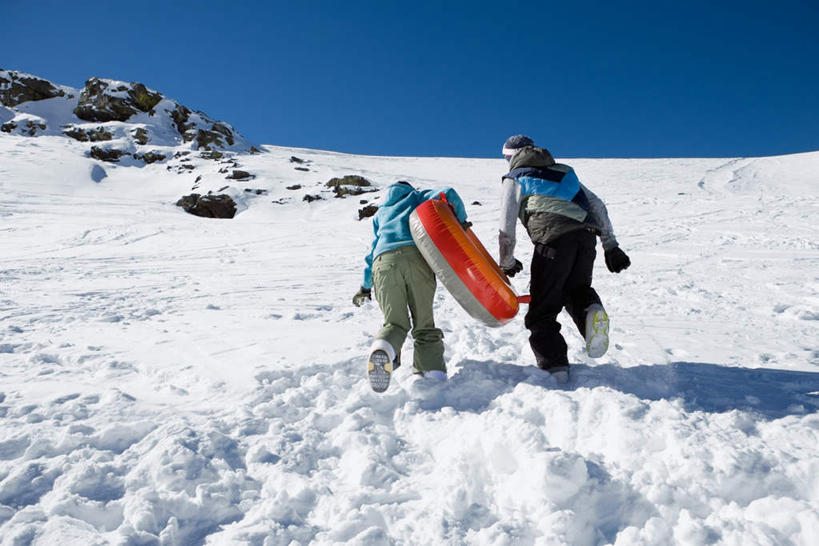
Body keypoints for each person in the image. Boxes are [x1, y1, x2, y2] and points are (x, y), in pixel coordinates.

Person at [498, 135, 631, 384]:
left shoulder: (515, 178)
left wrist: (507, 262)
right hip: (585, 237)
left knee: (542, 309)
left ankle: (555, 368)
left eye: (506, 157)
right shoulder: (564, 172)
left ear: (512, 155)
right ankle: (591, 310)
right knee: (577, 290)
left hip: (552, 241)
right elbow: (597, 205)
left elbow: (506, 225)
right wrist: (611, 246)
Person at [352, 181, 469, 392]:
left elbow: (371, 254)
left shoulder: (381, 213)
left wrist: (365, 286)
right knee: (423, 323)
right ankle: (433, 376)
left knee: (394, 323)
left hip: (382, 264)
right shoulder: (416, 196)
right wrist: (461, 224)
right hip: (416, 260)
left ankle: (383, 349)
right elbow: (449, 192)